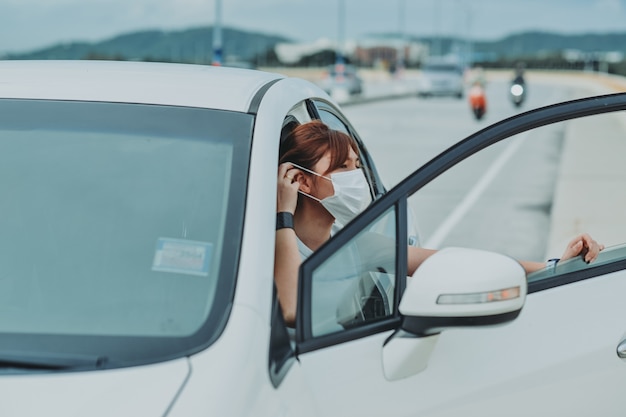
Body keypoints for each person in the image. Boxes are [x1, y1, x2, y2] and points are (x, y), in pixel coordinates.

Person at [274, 120, 604, 325]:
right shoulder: (264, 240)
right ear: (301, 182)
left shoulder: (358, 246)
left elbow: (452, 262)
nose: (358, 178)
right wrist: (282, 217)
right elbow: (292, 309)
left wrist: (554, 266)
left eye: (357, 165)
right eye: (343, 168)